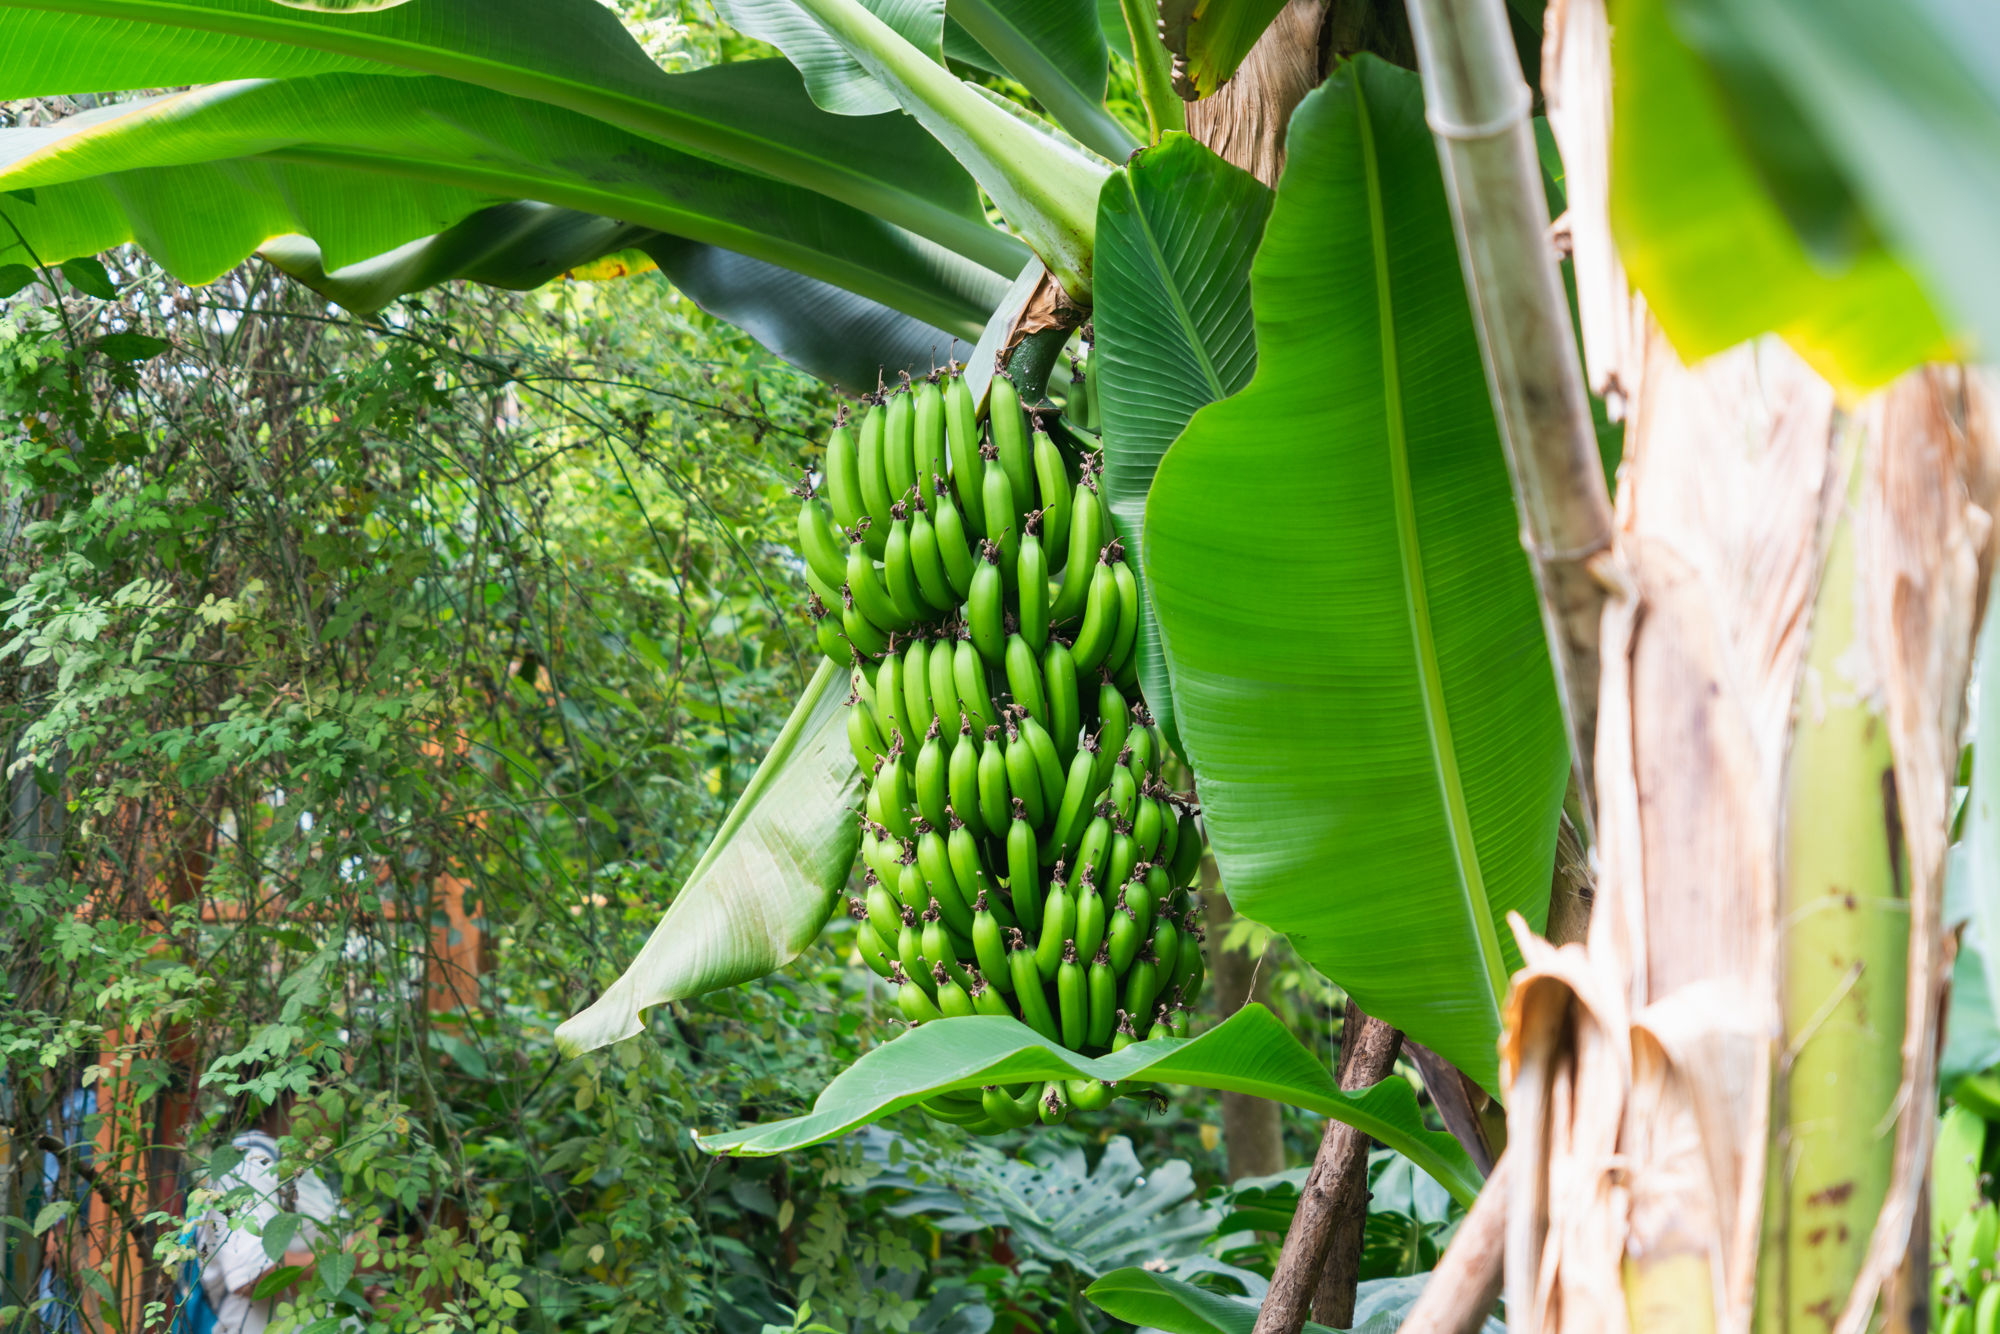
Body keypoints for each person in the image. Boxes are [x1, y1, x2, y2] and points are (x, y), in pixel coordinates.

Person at [193, 1094, 343, 1334]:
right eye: (338, 1097)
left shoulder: (299, 1168)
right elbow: (251, 1275)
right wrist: (345, 1262)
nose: (342, 1114)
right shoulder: (246, 1164)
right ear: (299, 1097)